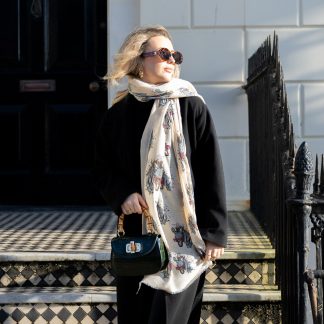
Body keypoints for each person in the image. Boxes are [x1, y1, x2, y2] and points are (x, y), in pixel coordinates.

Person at [95, 25, 227, 324]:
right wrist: (122, 195)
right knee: (138, 313)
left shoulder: (191, 105)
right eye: (163, 53)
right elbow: (103, 167)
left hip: (186, 237)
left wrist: (215, 232)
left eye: (175, 55)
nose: (172, 60)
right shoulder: (119, 112)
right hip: (139, 235)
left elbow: (210, 171)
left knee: (172, 313)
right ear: (139, 61)